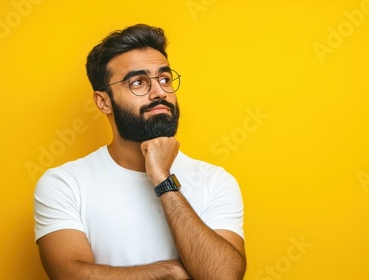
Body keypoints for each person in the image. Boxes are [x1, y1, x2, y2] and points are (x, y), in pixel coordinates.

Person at [33, 23, 246, 280]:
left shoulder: (215, 180)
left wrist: (162, 178)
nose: (159, 92)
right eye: (138, 82)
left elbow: (223, 276)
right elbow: (70, 275)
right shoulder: (64, 183)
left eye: (165, 79)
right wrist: (171, 272)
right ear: (104, 102)